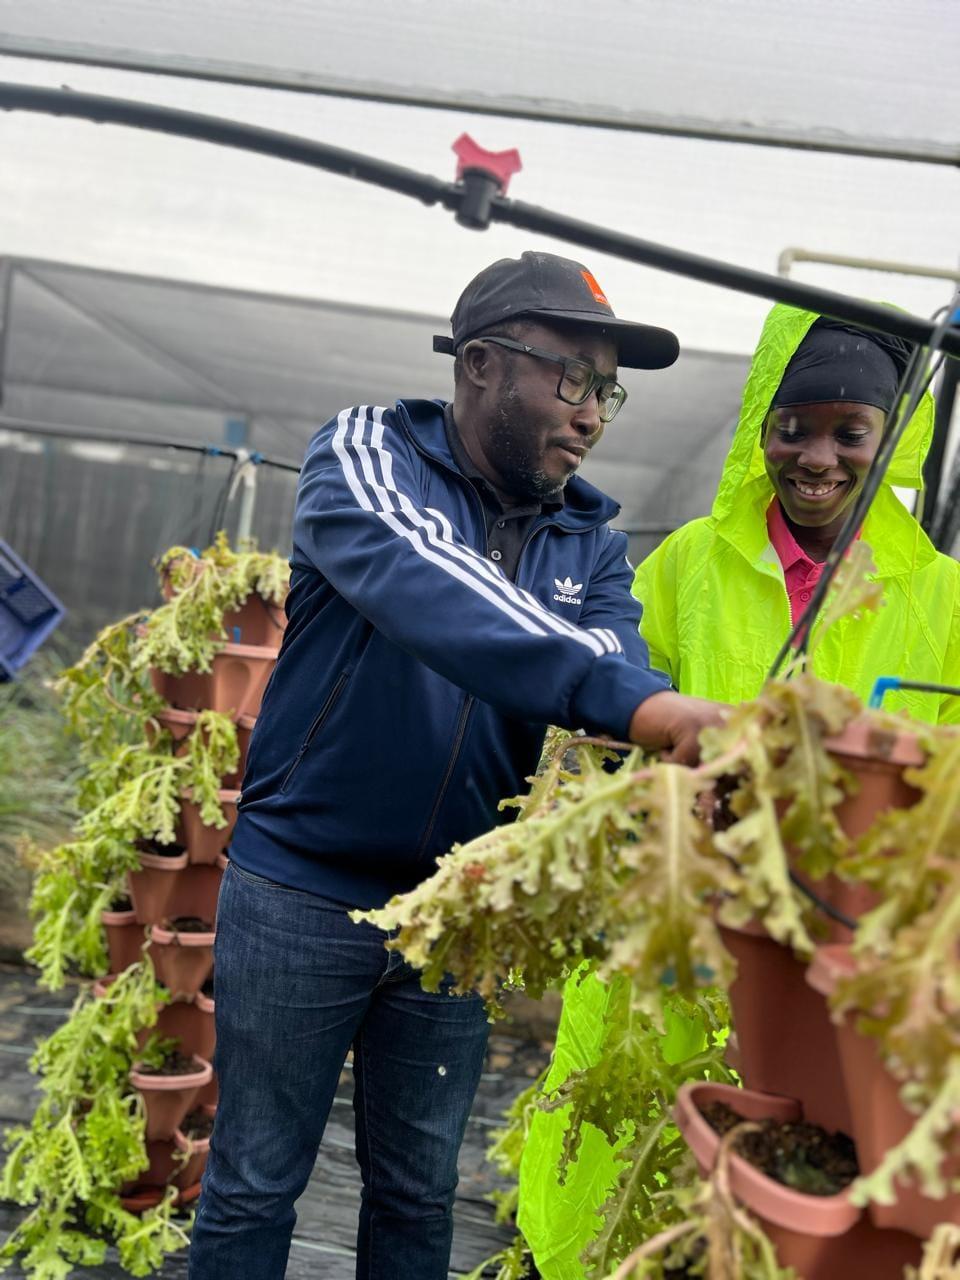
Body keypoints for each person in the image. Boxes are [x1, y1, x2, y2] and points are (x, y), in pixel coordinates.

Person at [187, 250, 724, 1280]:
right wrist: (646, 705)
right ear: (480, 362)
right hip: (301, 887)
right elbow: (437, 585)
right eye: (572, 376)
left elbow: (615, 661)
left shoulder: (592, 544)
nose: (593, 413)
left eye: (606, 389)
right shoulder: (364, 457)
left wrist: (667, 739)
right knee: (254, 1180)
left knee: (418, 1190)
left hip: (458, 915)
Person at [517, 300, 960, 1278]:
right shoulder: (689, 564)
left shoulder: (940, 592)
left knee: (798, 1189)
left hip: (841, 959)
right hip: (678, 926)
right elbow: (615, 712)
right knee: (619, 1166)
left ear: (894, 439)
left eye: (852, 432)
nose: (817, 457)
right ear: (760, 424)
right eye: (793, 427)